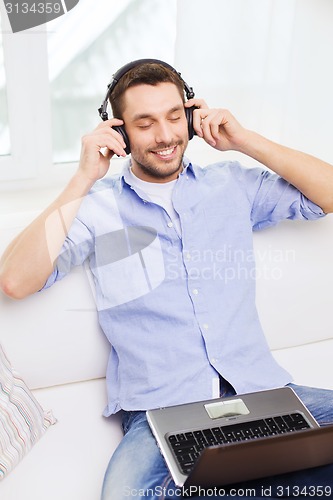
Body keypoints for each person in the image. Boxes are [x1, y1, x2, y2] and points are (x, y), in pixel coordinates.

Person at [1, 59, 333, 499]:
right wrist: (82, 176)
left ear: (192, 118)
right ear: (119, 133)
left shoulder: (231, 185)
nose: (165, 136)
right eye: (145, 123)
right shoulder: (96, 209)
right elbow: (15, 282)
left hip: (264, 392)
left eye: (175, 117)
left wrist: (244, 141)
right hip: (162, 413)